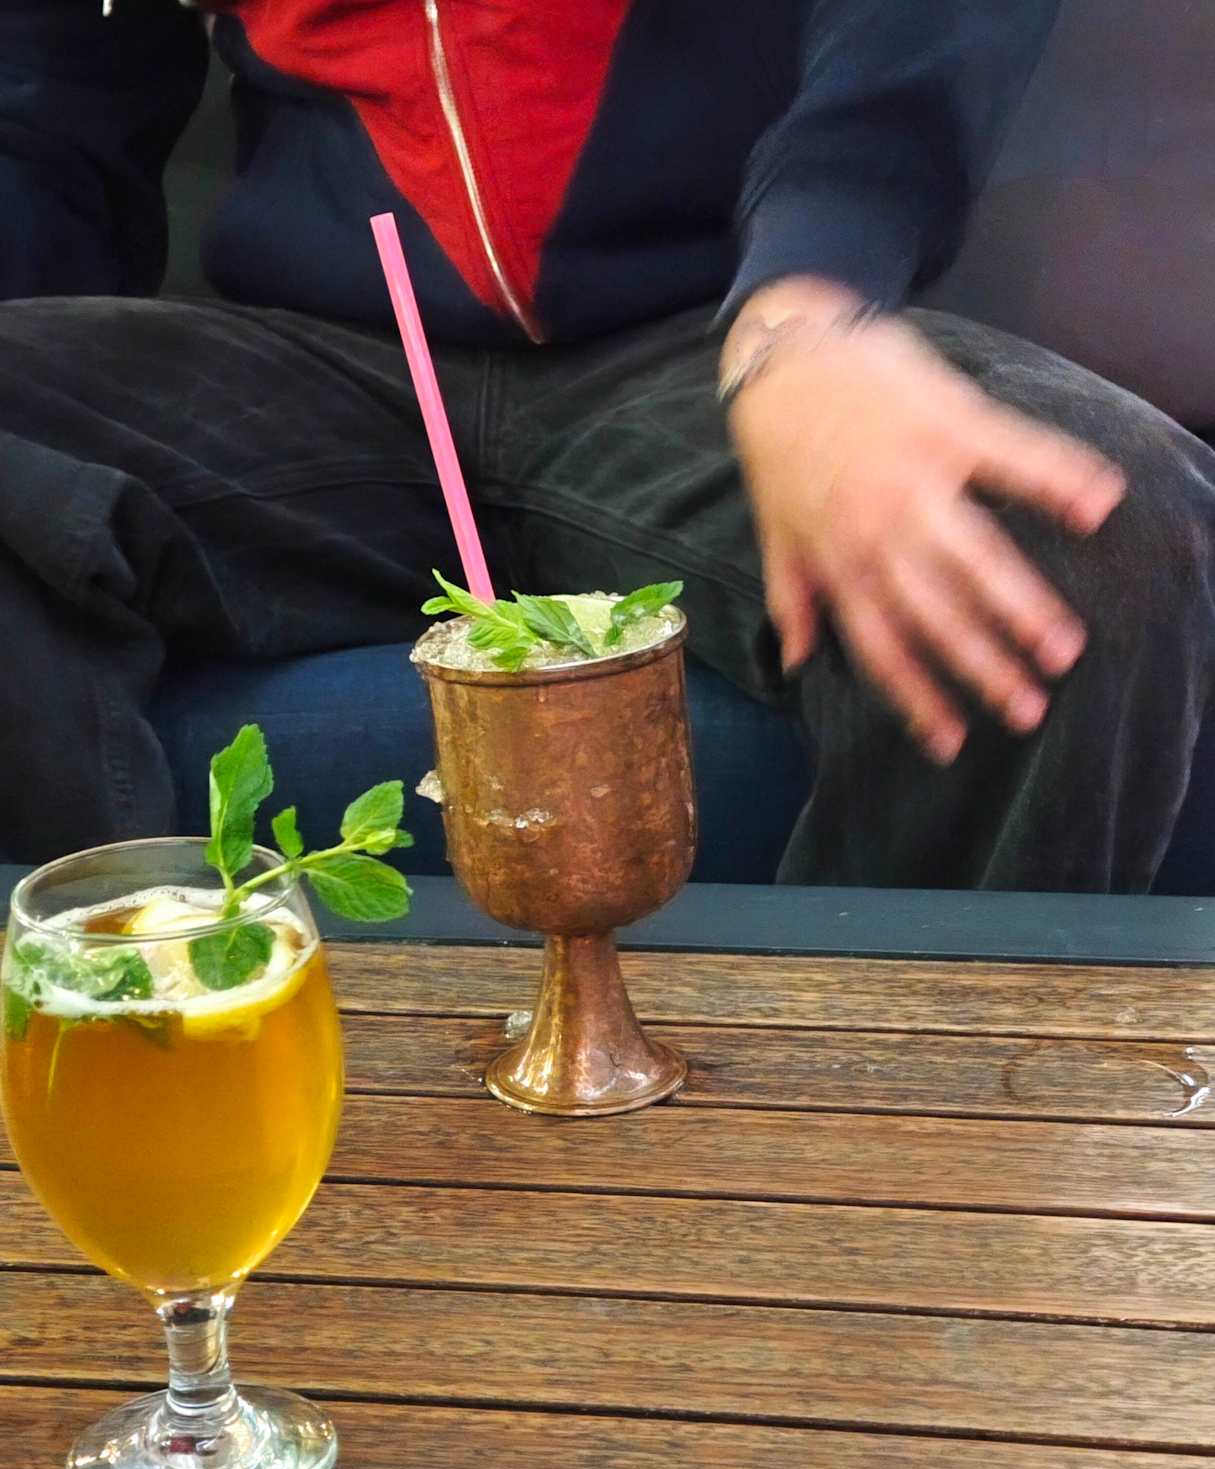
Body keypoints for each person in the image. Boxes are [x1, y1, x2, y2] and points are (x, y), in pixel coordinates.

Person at [1, 0, 1211, 889]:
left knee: (1093, 540)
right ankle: (132, 1067)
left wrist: (811, 295)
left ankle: (879, 1124)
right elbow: (52, 128)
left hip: (707, 338)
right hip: (327, 366)